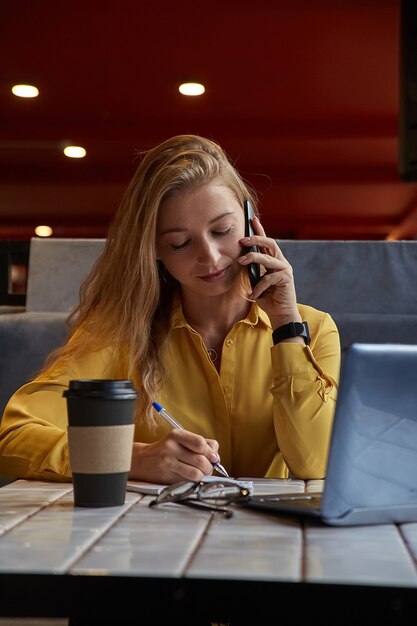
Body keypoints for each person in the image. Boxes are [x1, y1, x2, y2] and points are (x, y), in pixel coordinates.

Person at [0, 134, 340, 484]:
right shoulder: (117, 334)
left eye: (222, 230)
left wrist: (286, 325)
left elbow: (316, 464)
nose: (209, 256)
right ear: (155, 250)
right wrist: (132, 458)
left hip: (272, 537)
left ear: (251, 219)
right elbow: (13, 442)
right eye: (180, 242)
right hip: (156, 534)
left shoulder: (313, 329)